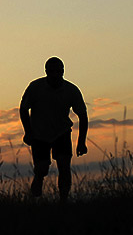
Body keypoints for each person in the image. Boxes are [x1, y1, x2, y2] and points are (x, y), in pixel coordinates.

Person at [20, 57, 89, 199]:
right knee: (42, 168)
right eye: (51, 71)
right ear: (46, 72)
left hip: (62, 133)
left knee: (64, 166)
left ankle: (63, 201)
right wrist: (28, 132)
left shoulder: (71, 90)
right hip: (39, 134)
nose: (55, 75)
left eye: (58, 71)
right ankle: (35, 198)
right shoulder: (35, 87)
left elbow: (83, 115)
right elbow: (23, 109)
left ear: (63, 71)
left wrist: (81, 142)